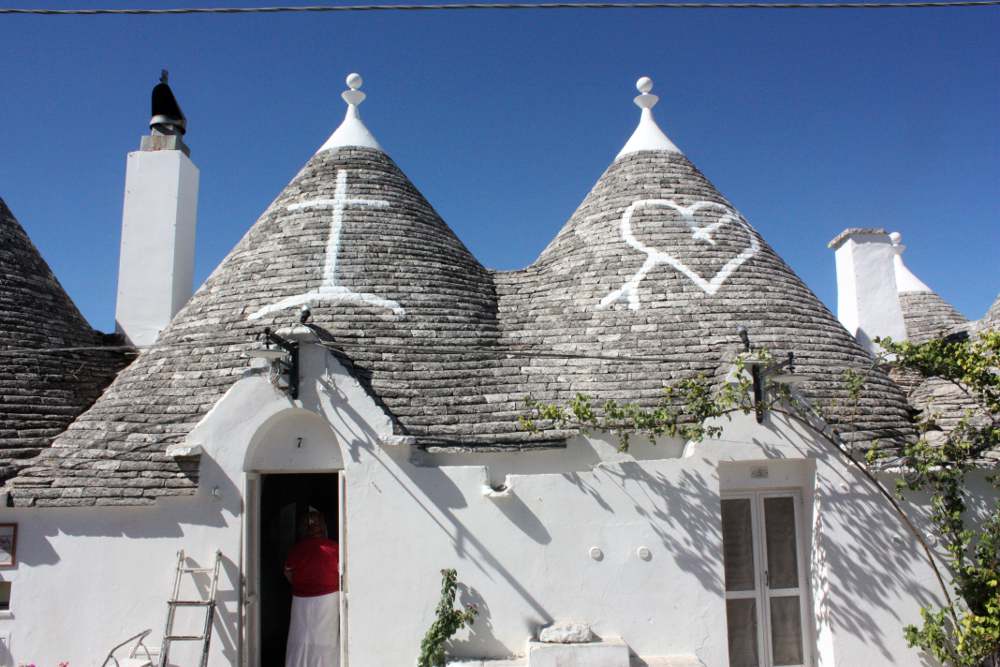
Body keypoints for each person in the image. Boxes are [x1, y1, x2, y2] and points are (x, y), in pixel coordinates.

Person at [284, 510, 340, 667]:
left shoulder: (296, 550)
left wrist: (302, 584)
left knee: (300, 640)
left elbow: (288, 572)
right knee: (326, 641)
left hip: (301, 601)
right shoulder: (334, 548)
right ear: (323, 527)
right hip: (327, 601)